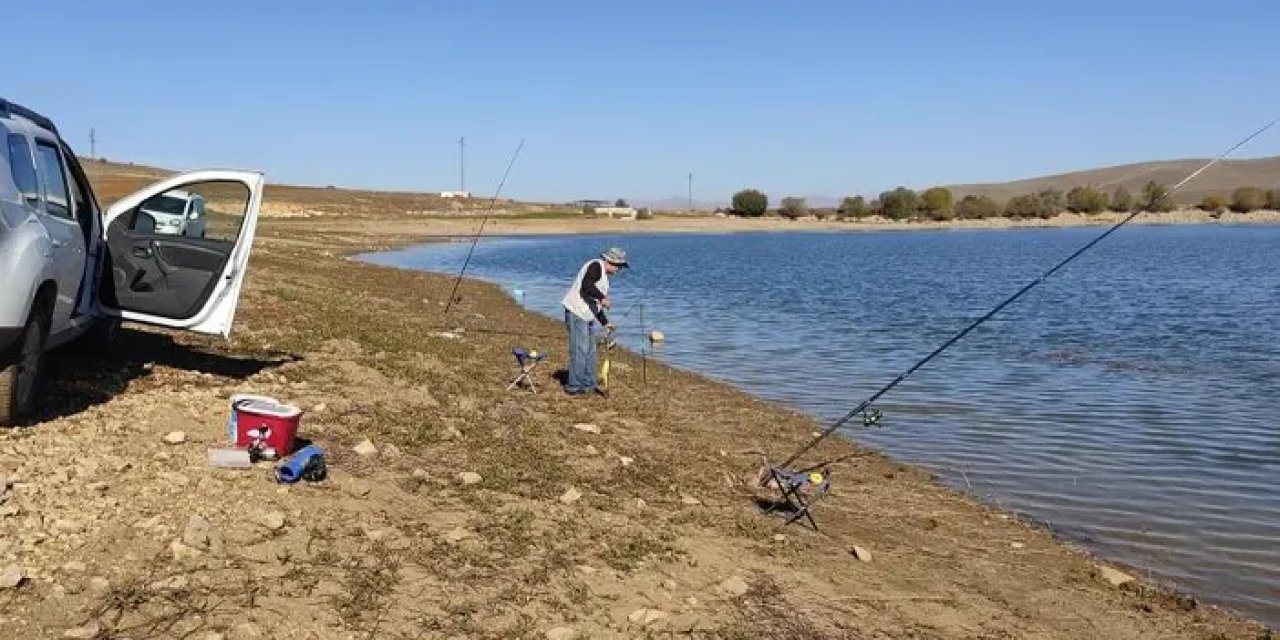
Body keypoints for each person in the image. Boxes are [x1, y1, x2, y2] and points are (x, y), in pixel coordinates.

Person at [561, 247, 628, 395]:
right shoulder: (596, 266)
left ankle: (589, 383)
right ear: (611, 262)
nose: (619, 270)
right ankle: (574, 386)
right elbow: (586, 286)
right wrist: (602, 297)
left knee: (591, 351)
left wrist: (606, 323)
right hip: (576, 312)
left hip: (588, 315)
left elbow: (595, 305)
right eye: (619, 266)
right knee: (580, 350)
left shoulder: (604, 279)